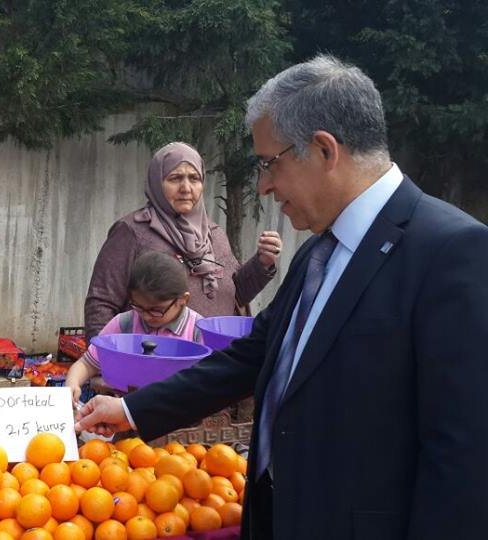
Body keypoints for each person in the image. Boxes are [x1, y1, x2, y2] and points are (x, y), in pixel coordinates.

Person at [74, 54, 488, 539]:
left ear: (324, 150)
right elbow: (249, 356)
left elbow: (463, 452)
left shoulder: (451, 250)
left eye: (269, 163)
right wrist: (130, 411)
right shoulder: (317, 253)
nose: (265, 185)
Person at [84, 141, 282, 340]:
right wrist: (103, 360)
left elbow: (236, 295)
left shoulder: (214, 233)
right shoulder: (132, 232)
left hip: (217, 360)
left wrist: (262, 262)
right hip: (158, 360)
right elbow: (101, 302)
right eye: (175, 178)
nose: (186, 188)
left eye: (194, 178)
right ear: (156, 182)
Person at [66, 250, 203, 403]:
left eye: (156, 310)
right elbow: (87, 363)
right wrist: (72, 383)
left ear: (183, 299)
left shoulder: (197, 331)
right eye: (139, 307)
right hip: (123, 409)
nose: (146, 316)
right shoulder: (125, 323)